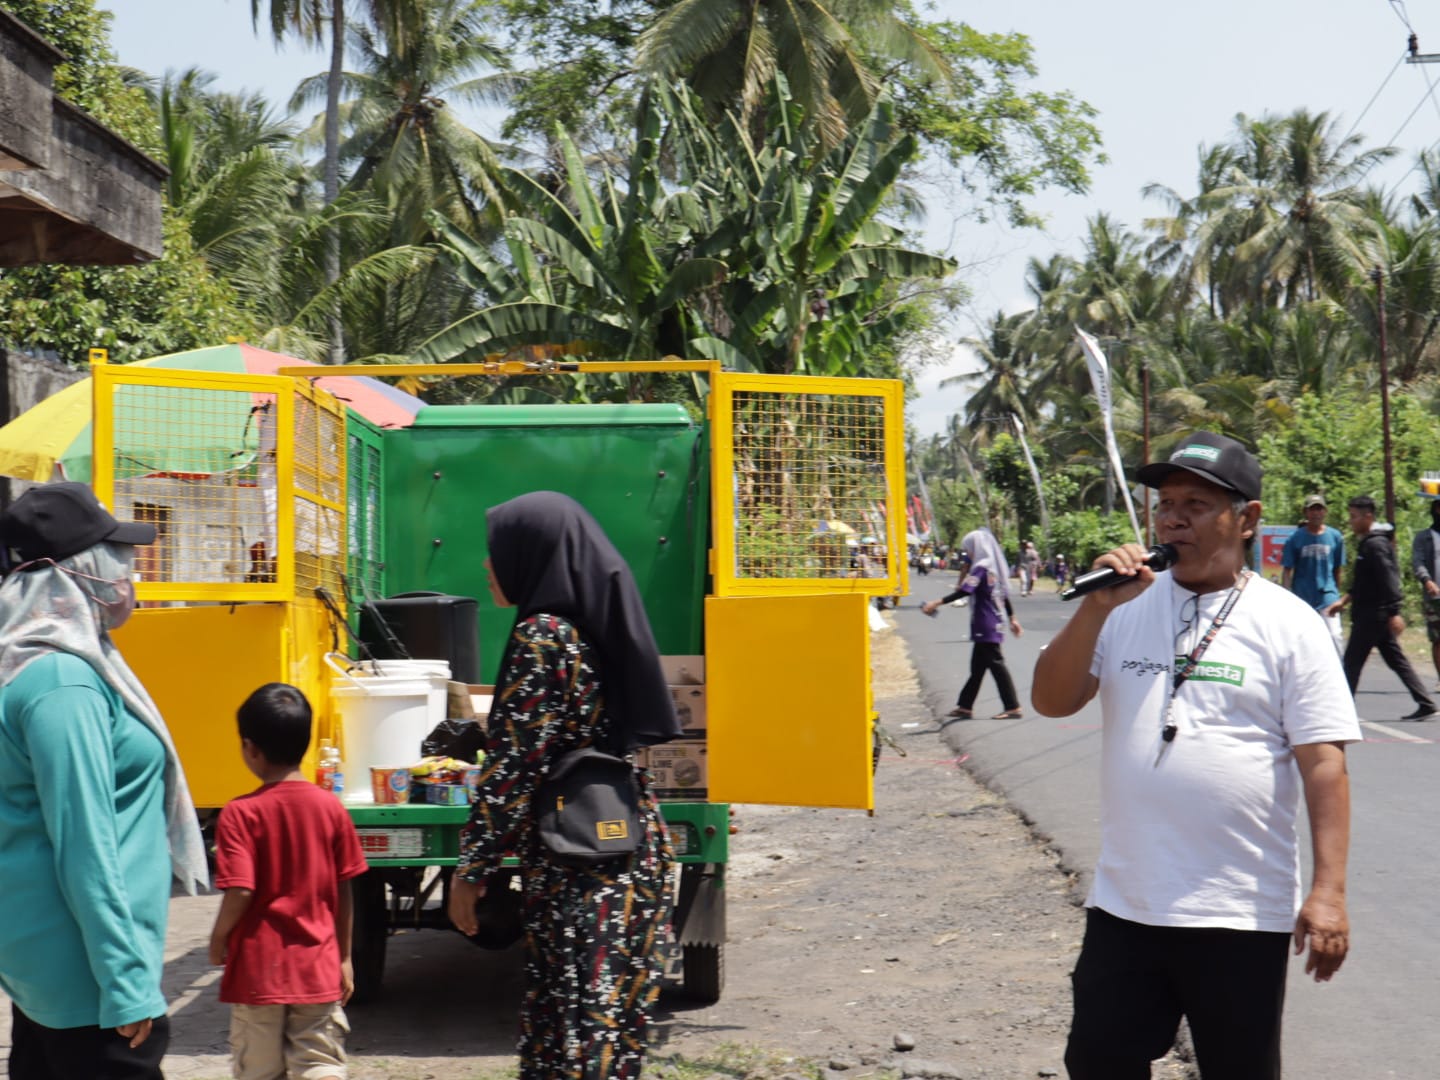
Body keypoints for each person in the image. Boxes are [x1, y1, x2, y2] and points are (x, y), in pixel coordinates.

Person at [1031, 432, 1359, 1080]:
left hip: (1238, 910)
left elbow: (1324, 764)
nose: (1173, 517)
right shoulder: (1122, 607)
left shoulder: (1291, 624)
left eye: (1196, 503)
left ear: (1249, 517)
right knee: (1097, 1060)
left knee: (1239, 1069)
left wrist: (1328, 893)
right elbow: (1051, 699)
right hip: (1128, 903)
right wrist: (1095, 607)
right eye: (1165, 503)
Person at [447, 491, 679, 1079]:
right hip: (623, 855)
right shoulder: (585, 628)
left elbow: (513, 770)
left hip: (584, 875)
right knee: (606, 1044)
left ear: (531, 555)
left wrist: (469, 871)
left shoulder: (543, 636)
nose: (485, 565)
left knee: (577, 1044)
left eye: (495, 551)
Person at [0, 481, 208, 1079]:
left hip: (52, 963)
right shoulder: (62, 683)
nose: (129, 571)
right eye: (116, 556)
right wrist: (127, 984)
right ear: (76, 571)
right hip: (87, 981)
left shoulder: (41, 662)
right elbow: (85, 844)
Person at [209, 683, 368, 1080]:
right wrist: (345, 957)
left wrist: (218, 937)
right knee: (319, 1063)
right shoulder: (331, 808)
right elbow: (344, 888)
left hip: (258, 974)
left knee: (259, 1070)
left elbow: (241, 889)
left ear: (250, 748)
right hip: (317, 967)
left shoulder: (239, 814)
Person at [1327, 495, 1436, 720]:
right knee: (1396, 660)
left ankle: (1339, 711)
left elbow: (1388, 579)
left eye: (1355, 516)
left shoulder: (1375, 544)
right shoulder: (1369, 543)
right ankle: (1425, 702)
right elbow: (1365, 582)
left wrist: (1395, 611)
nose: (1351, 521)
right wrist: (1344, 601)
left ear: (1368, 516)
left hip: (1373, 615)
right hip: (1372, 613)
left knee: (1352, 662)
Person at [920, 528, 1024, 719]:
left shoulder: (981, 569)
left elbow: (964, 591)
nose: (968, 554)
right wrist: (1012, 619)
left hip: (985, 623)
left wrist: (936, 602)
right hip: (992, 621)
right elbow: (1004, 597)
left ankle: (1013, 706)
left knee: (996, 665)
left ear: (977, 548)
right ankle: (965, 705)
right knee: (978, 667)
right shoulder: (993, 570)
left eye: (969, 549)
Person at [1280, 493, 1345, 650]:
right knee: (1303, 638)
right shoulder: (1295, 538)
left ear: (1325, 512)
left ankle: (1340, 671)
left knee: (1334, 635)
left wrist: (1337, 595)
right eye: (1312, 510)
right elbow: (1287, 570)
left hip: (1327, 594)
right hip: (1303, 594)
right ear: (1306, 512)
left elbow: (1337, 568)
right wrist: (1287, 596)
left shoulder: (1335, 537)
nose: (1316, 513)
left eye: (1319, 509)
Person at [1410, 498, 1440, 690]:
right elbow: (1418, 562)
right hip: (1434, 598)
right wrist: (1427, 581)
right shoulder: (1424, 537)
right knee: (1438, 638)